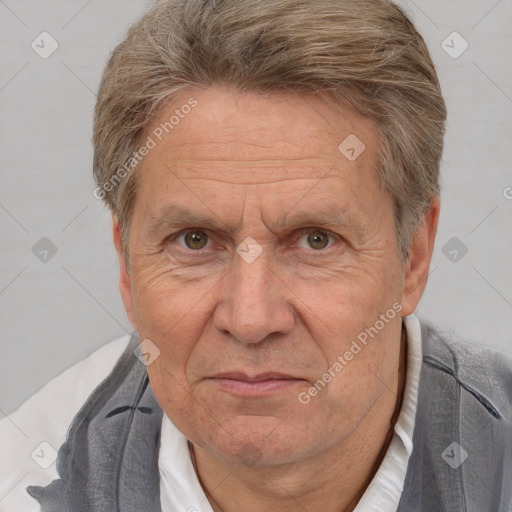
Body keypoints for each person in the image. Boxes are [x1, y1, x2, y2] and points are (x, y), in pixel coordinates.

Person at [1, 0, 511, 510]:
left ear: (413, 257)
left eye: (316, 240)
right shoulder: (23, 483)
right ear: (127, 266)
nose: (250, 320)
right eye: (195, 240)